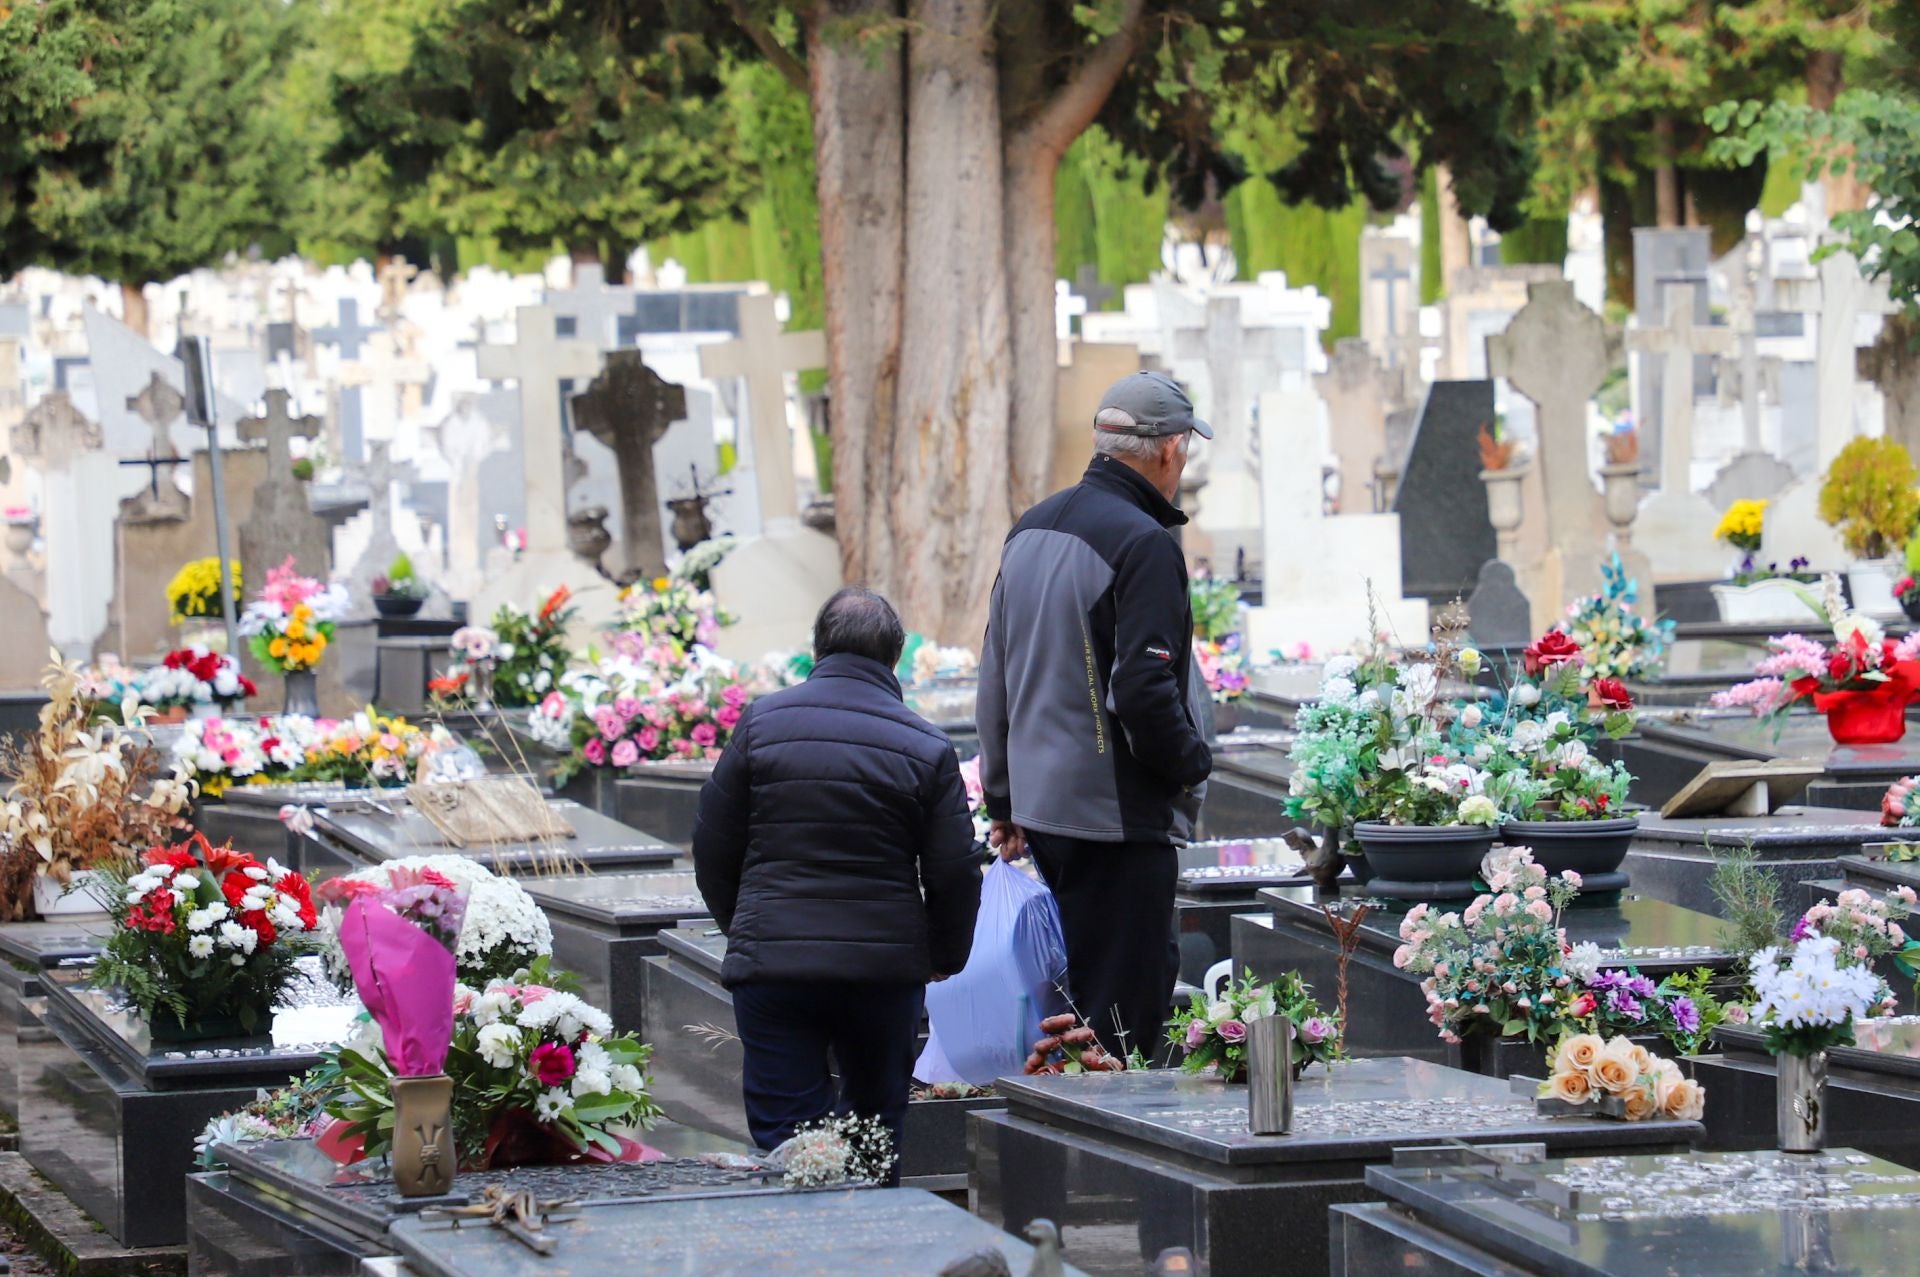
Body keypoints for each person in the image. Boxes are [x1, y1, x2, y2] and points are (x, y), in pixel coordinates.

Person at [692, 586, 982, 1170]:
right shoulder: (926, 745)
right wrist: (944, 956)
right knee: (875, 1135)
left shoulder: (761, 724)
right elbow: (953, 870)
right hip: (882, 976)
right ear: (895, 657)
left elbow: (712, 844)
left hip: (776, 970)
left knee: (786, 1137)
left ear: (818, 647)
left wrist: (746, 927)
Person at [977, 370, 1215, 1060]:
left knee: (1074, 1007)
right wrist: (1190, 763)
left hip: (1044, 815)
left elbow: (997, 672)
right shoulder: (1143, 544)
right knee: (1123, 1027)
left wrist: (1003, 795)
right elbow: (1141, 690)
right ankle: (1113, 1160)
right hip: (1116, 820)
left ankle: (1071, 1148)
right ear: (1169, 450)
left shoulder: (1031, 527)